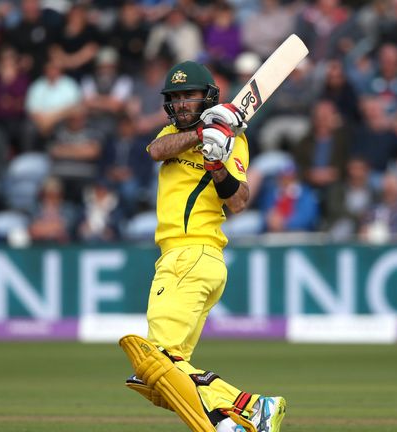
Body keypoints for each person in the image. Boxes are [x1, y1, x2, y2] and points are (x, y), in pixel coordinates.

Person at [119, 60, 286, 432]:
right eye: (175, 98)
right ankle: (231, 424)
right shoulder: (173, 133)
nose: (180, 104)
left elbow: (239, 201)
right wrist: (201, 135)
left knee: (155, 360)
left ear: (207, 96)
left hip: (192, 256)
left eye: (189, 96)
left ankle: (254, 406)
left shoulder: (234, 140)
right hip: (183, 260)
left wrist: (216, 163)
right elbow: (156, 150)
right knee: (163, 378)